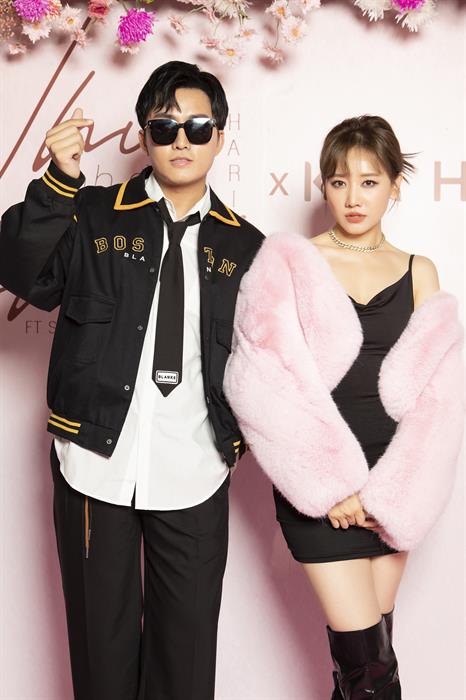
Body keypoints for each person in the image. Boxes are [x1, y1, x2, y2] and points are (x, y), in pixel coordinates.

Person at [0, 60, 264, 700]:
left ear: (220, 137)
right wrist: (58, 183)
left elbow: (266, 364)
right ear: (144, 136)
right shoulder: (90, 213)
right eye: (165, 126)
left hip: (196, 467)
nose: (181, 140)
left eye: (197, 127)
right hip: (95, 462)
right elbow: (18, 270)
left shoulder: (247, 246)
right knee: (102, 655)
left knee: (187, 660)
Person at [224, 115, 464, 699]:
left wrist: (397, 496)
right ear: (325, 186)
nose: (353, 197)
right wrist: (329, 488)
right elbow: (260, 383)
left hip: (391, 490)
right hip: (321, 491)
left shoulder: (419, 271)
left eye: (369, 181)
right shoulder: (290, 261)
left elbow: (440, 399)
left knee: (366, 661)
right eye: (339, 182)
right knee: (372, 673)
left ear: (394, 185)